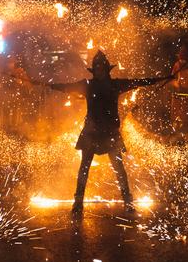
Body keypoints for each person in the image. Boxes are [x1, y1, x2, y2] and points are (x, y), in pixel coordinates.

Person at [40, 50, 173, 215]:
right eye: (97, 68)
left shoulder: (115, 85)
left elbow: (140, 81)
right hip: (91, 132)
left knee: (119, 169)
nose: (99, 71)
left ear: (106, 69)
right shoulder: (87, 85)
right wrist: (46, 84)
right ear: (94, 70)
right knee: (84, 168)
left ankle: (128, 202)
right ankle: (78, 203)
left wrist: (163, 79)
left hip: (110, 133)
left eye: (101, 68)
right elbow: (65, 87)